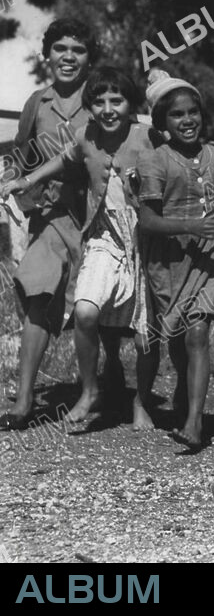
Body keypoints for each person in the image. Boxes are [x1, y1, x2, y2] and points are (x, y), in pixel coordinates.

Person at [1, 67, 158, 425]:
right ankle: (90, 390)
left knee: (144, 334)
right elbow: (65, 158)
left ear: (130, 104)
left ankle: (142, 402)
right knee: (86, 311)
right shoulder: (87, 135)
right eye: (99, 102)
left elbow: (181, 137)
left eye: (116, 101)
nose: (107, 109)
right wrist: (27, 179)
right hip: (103, 236)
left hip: (146, 240)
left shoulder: (148, 136)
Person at [1, 18, 95, 431]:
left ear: (89, 58)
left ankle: (110, 392)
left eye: (77, 50)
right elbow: (23, 157)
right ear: (47, 55)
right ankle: (23, 404)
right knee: (37, 293)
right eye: (61, 49)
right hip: (51, 218)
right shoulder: (37, 104)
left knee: (101, 309)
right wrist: (18, 189)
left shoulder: (101, 99)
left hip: (96, 217)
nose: (68, 57)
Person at [137, 71, 214, 447]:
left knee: (197, 332)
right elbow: (147, 219)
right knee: (179, 337)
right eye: (177, 115)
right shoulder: (154, 161)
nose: (188, 120)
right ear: (162, 122)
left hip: (212, 258)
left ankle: (195, 422)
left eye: (193, 112)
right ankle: (185, 394)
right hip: (170, 260)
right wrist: (191, 225)